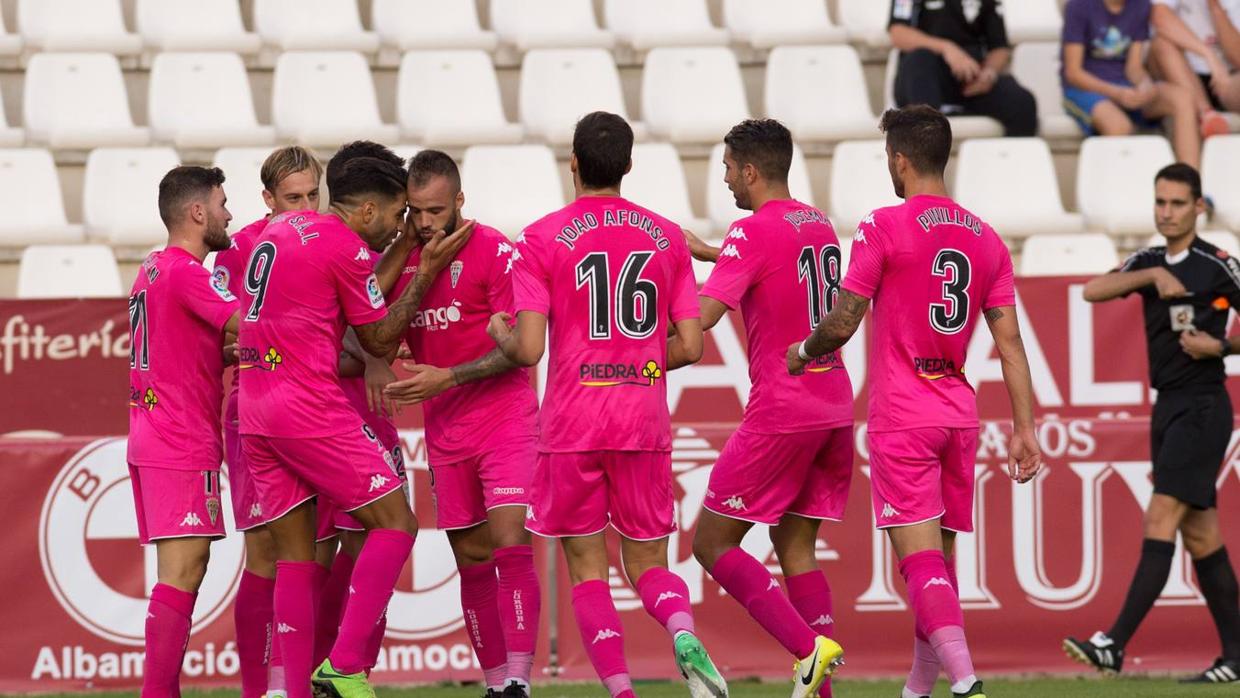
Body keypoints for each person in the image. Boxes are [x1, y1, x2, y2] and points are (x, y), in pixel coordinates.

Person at [786, 105, 1043, 698]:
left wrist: (802, 350)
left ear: (899, 160)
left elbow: (846, 319)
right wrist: (1025, 429)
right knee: (940, 572)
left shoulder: (884, 225)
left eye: (887, 159)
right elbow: (1011, 346)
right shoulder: (987, 239)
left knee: (919, 565)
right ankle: (918, 690)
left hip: (904, 417)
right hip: (958, 416)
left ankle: (965, 678)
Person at [489, 111, 727, 698]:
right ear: (627, 166)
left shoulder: (541, 238)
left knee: (588, 572)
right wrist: (638, 361)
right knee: (648, 566)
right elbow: (692, 345)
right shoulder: (666, 235)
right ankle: (679, 628)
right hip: (641, 421)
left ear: (573, 163)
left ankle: (622, 691)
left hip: (573, 423)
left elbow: (528, 348)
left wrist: (498, 331)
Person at [237, 152, 469, 698]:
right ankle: (343, 666)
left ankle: (295, 691)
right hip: (307, 406)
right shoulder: (343, 246)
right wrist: (426, 271)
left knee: (294, 559)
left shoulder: (275, 232)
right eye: (395, 216)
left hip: (255, 408)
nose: (398, 229)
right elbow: (379, 341)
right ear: (368, 209)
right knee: (397, 524)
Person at [683, 119, 850, 698]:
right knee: (795, 545)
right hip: (834, 405)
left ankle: (807, 651)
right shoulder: (818, 223)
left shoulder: (749, 230)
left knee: (710, 544)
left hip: (784, 409)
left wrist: (640, 340)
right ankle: (822, 692)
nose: (727, 178)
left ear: (750, 170)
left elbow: (701, 319)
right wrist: (708, 252)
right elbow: (771, 271)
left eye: (729, 168)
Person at [1064, 163, 1240, 684]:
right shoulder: (1147, 260)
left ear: (1198, 207)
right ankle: (1235, 657)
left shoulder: (1219, 264)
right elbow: (1092, 290)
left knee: (1159, 518)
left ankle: (1114, 644)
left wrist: (1223, 346)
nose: (1167, 212)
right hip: (1168, 408)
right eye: (1160, 202)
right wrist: (1150, 275)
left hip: (1204, 405)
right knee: (1202, 536)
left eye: (1177, 203)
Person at [379, 149, 542, 698]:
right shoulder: (405, 260)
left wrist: (446, 377)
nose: (426, 223)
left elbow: (522, 349)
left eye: (436, 211)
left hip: (505, 420)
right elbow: (374, 322)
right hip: (445, 431)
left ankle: (519, 679)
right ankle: (496, 685)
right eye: (416, 211)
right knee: (470, 559)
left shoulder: (495, 251)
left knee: (509, 539)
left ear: (460, 203)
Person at [212, 145, 323, 698]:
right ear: (267, 199)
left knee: (314, 549)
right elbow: (226, 329)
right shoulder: (239, 248)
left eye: (311, 196)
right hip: (254, 409)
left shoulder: (327, 238)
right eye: (291, 198)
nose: (303, 207)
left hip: (316, 411)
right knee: (265, 552)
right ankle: (261, 688)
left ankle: (301, 680)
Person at [128, 165, 240, 698]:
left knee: (180, 571)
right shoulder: (188, 272)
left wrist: (223, 353)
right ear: (197, 212)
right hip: (179, 438)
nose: (228, 214)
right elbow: (249, 322)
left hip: (153, 431)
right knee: (183, 571)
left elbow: (184, 345)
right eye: (222, 203)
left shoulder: (152, 268)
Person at [1061, 0, 1207, 167]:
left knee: (1183, 98)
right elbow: (1073, 73)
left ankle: (1189, 184)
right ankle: (1111, 188)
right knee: (1118, 125)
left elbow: (1134, 68)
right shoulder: (1079, 6)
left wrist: (1146, 86)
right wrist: (1117, 93)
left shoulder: (1141, 6)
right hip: (1084, 90)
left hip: (1125, 87)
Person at [889, 0, 1038, 137]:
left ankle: (1011, 163)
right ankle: (927, 160)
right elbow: (898, 33)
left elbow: (999, 47)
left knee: (1023, 104)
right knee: (919, 64)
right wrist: (947, 48)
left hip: (971, 79)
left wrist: (989, 72)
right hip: (923, 78)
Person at [1150, 0, 1240, 130]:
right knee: (1162, 44)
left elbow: (1237, 57)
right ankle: (1208, 115)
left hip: (1226, 79)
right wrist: (1209, 55)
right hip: (1183, 72)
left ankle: (1218, 122)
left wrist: (1215, 7)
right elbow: (1160, 18)